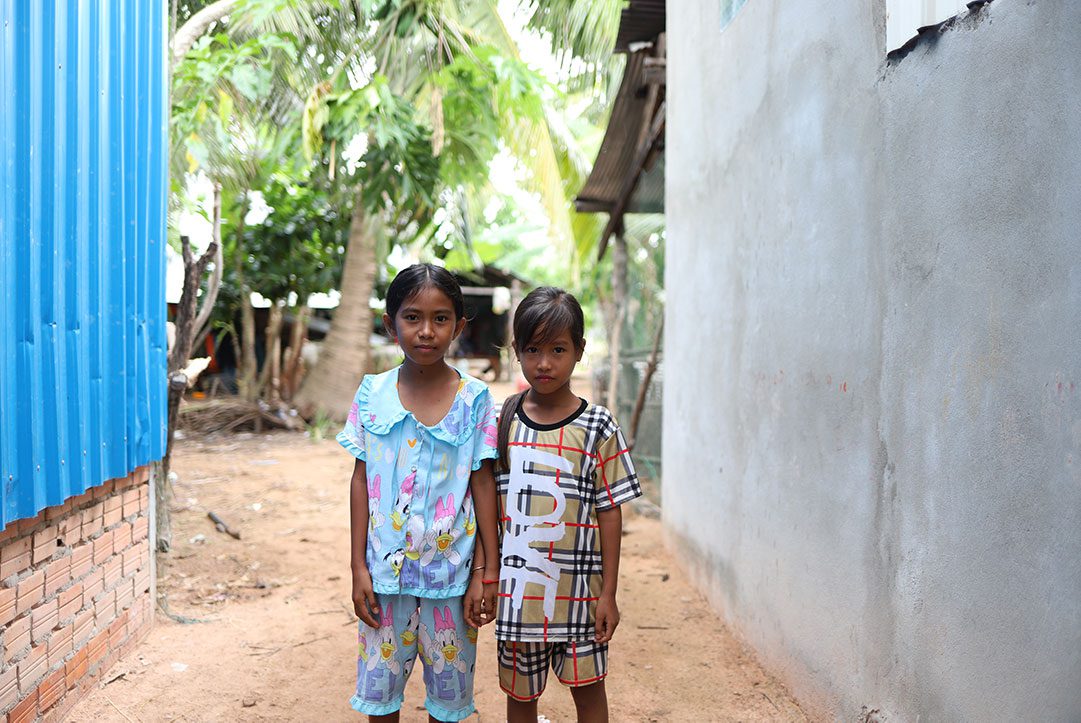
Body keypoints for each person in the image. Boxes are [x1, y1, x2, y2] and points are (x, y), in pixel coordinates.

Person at [338, 264, 501, 722]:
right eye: (412, 317)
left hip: (452, 580)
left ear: (459, 326)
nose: (426, 331)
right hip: (384, 582)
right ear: (390, 324)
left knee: (449, 705)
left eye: (441, 318)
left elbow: (482, 482)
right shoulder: (372, 394)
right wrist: (357, 568)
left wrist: (485, 574)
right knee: (380, 697)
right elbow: (359, 480)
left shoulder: (475, 399)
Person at [493, 287, 642, 722]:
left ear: (579, 350)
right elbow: (488, 504)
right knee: (521, 698)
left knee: (589, 690)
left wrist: (608, 593)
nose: (544, 363)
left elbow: (610, 510)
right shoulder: (502, 420)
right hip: (519, 596)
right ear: (517, 350)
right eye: (533, 349)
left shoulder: (598, 426)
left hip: (580, 595)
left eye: (558, 349)